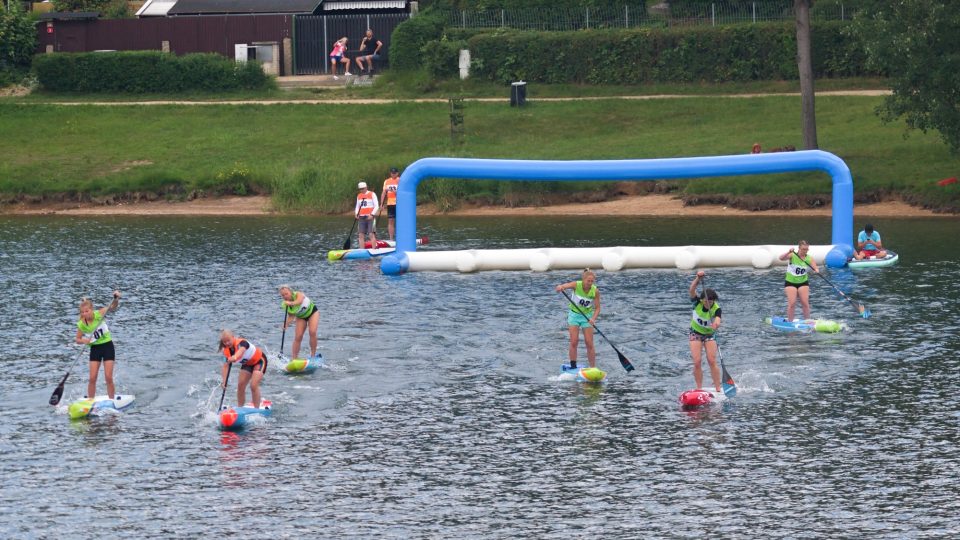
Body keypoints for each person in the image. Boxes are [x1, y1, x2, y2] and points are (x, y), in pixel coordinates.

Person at [75, 290, 121, 399]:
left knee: (108, 377)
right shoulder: (82, 324)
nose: (85, 314)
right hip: (95, 349)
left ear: (92, 310)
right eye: (83, 312)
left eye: (87, 311)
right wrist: (84, 341)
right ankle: (90, 401)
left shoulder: (99, 313)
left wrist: (116, 299)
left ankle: (111, 400)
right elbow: (77, 339)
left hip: (107, 347)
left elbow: (112, 307)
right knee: (92, 378)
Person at [555, 269, 601, 369]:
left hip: (587, 317)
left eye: (592, 281)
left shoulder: (595, 291)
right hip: (574, 315)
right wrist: (560, 287)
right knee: (574, 341)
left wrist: (593, 318)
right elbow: (564, 286)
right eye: (588, 281)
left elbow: (597, 308)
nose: (590, 283)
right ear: (583, 280)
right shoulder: (576, 285)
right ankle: (573, 366)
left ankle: (593, 368)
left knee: (589, 343)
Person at [688, 271, 722, 392]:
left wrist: (716, 324)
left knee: (711, 360)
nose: (709, 303)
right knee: (697, 362)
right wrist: (697, 279)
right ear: (702, 300)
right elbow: (692, 290)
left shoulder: (717, 308)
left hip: (709, 334)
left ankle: (718, 388)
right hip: (695, 333)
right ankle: (699, 388)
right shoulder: (696, 302)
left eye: (711, 301)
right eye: (707, 301)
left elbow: (718, 320)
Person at [219, 329, 267, 409]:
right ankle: (240, 409)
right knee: (240, 385)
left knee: (253, 385)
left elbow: (241, 351)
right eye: (225, 342)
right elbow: (225, 366)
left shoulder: (242, 343)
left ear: (233, 337)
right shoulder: (226, 351)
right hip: (247, 364)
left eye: (228, 340)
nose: (227, 343)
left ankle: (257, 409)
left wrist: (234, 357)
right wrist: (224, 381)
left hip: (260, 360)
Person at [779, 240, 819, 320]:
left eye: (807, 249)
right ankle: (790, 322)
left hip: (803, 282)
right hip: (790, 282)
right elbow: (781, 258)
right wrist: (788, 252)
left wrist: (816, 271)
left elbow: (816, 268)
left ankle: (807, 321)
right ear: (799, 248)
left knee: (805, 303)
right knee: (792, 303)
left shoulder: (809, 258)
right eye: (803, 249)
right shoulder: (792, 255)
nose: (805, 251)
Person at [279, 285, 320, 360]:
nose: (285, 296)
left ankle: (313, 355)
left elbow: (299, 301)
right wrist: (286, 324)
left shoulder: (298, 294)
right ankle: (294, 359)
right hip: (301, 317)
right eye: (283, 295)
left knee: (312, 332)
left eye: (286, 293)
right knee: (298, 336)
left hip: (312, 313)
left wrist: (290, 303)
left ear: (291, 292)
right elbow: (291, 316)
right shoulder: (285, 305)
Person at [355, 180, 379, 249]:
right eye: (360, 189)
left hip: (370, 217)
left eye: (363, 189)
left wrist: (372, 214)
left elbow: (376, 206)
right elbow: (357, 206)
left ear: (366, 187)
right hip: (361, 217)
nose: (361, 190)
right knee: (360, 235)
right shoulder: (359, 195)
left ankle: (374, 249)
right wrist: (356, 213)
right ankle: (362, 250)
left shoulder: (372, 194)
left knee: (371, 234)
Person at [379, 167, 400, 241]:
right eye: (392, 173)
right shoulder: (386, 181)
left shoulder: (400, 180)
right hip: (390, 203)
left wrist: (392, 190)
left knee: (400, 220)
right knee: (390, 221)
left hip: (399, 203)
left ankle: (400, 237)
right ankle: (391, 239)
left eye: (395, 173)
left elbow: (401, 193)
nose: (393, 174)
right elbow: (384, 193)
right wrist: (381, 204)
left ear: (397, 173)